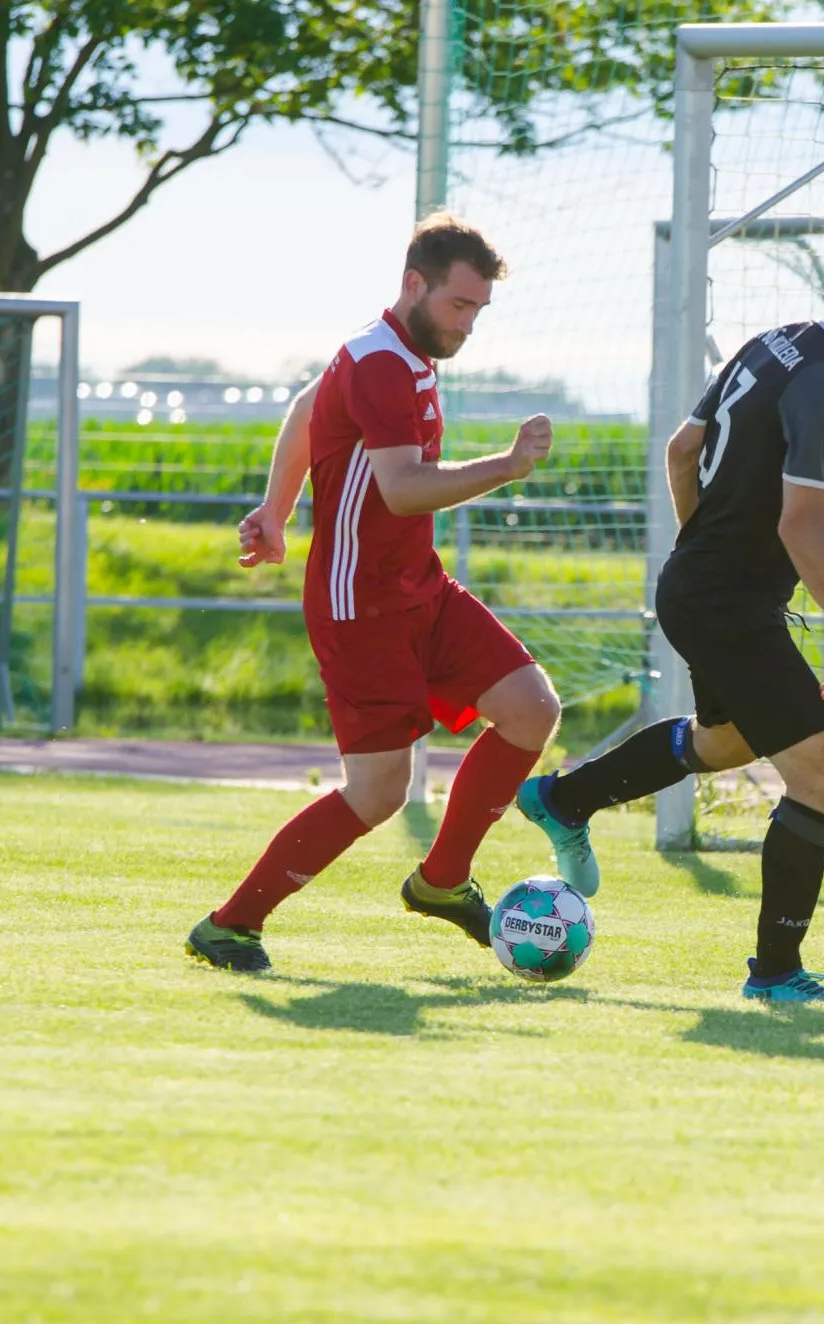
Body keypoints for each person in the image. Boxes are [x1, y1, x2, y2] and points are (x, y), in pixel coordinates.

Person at [512, 253, 824, 1003]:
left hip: (698, 584)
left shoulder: (773, 342)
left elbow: (682, 450)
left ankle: (566, 798)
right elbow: (802, 524)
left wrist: (702, 550)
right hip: (728, 603)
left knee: (727, 743)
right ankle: (775, 973)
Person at [185, 213, 562, 972]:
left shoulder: (391, 350)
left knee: (531, 709)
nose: (468, 324)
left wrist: (276, 509)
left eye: (479, 309)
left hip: (419, 587)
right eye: (459, 305)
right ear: (414, 284)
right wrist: (507, 466)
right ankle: (230, 926)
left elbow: (307, 409)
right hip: (359, 605)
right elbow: (403, 488)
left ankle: (442, 881)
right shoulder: (382, 363)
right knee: (379, 790)